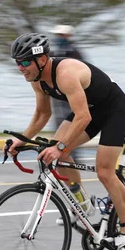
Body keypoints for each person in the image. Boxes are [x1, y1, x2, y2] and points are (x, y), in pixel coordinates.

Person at [7, 32, 125, 250]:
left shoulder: (65, 74)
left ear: (41, 60)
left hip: (113, 110)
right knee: (54, 152)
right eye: (18, 63)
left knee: (104, 173)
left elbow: (83, 117)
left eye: (25, 62)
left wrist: (60, 146)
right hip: (87, 110)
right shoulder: (37, 79)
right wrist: (22, 139)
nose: (21, 67)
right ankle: (84, 206)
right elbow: (43, 114)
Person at [49, 25, 86, 160]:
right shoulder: (54, 52)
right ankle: (60, 156)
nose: (58, 38)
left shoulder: (74, 53)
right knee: (59, 125)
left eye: (60, 35)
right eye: (57, 35)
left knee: (71, 124)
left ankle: (72, 156)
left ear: (67, 36)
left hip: (70, 96)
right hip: (57, 96)